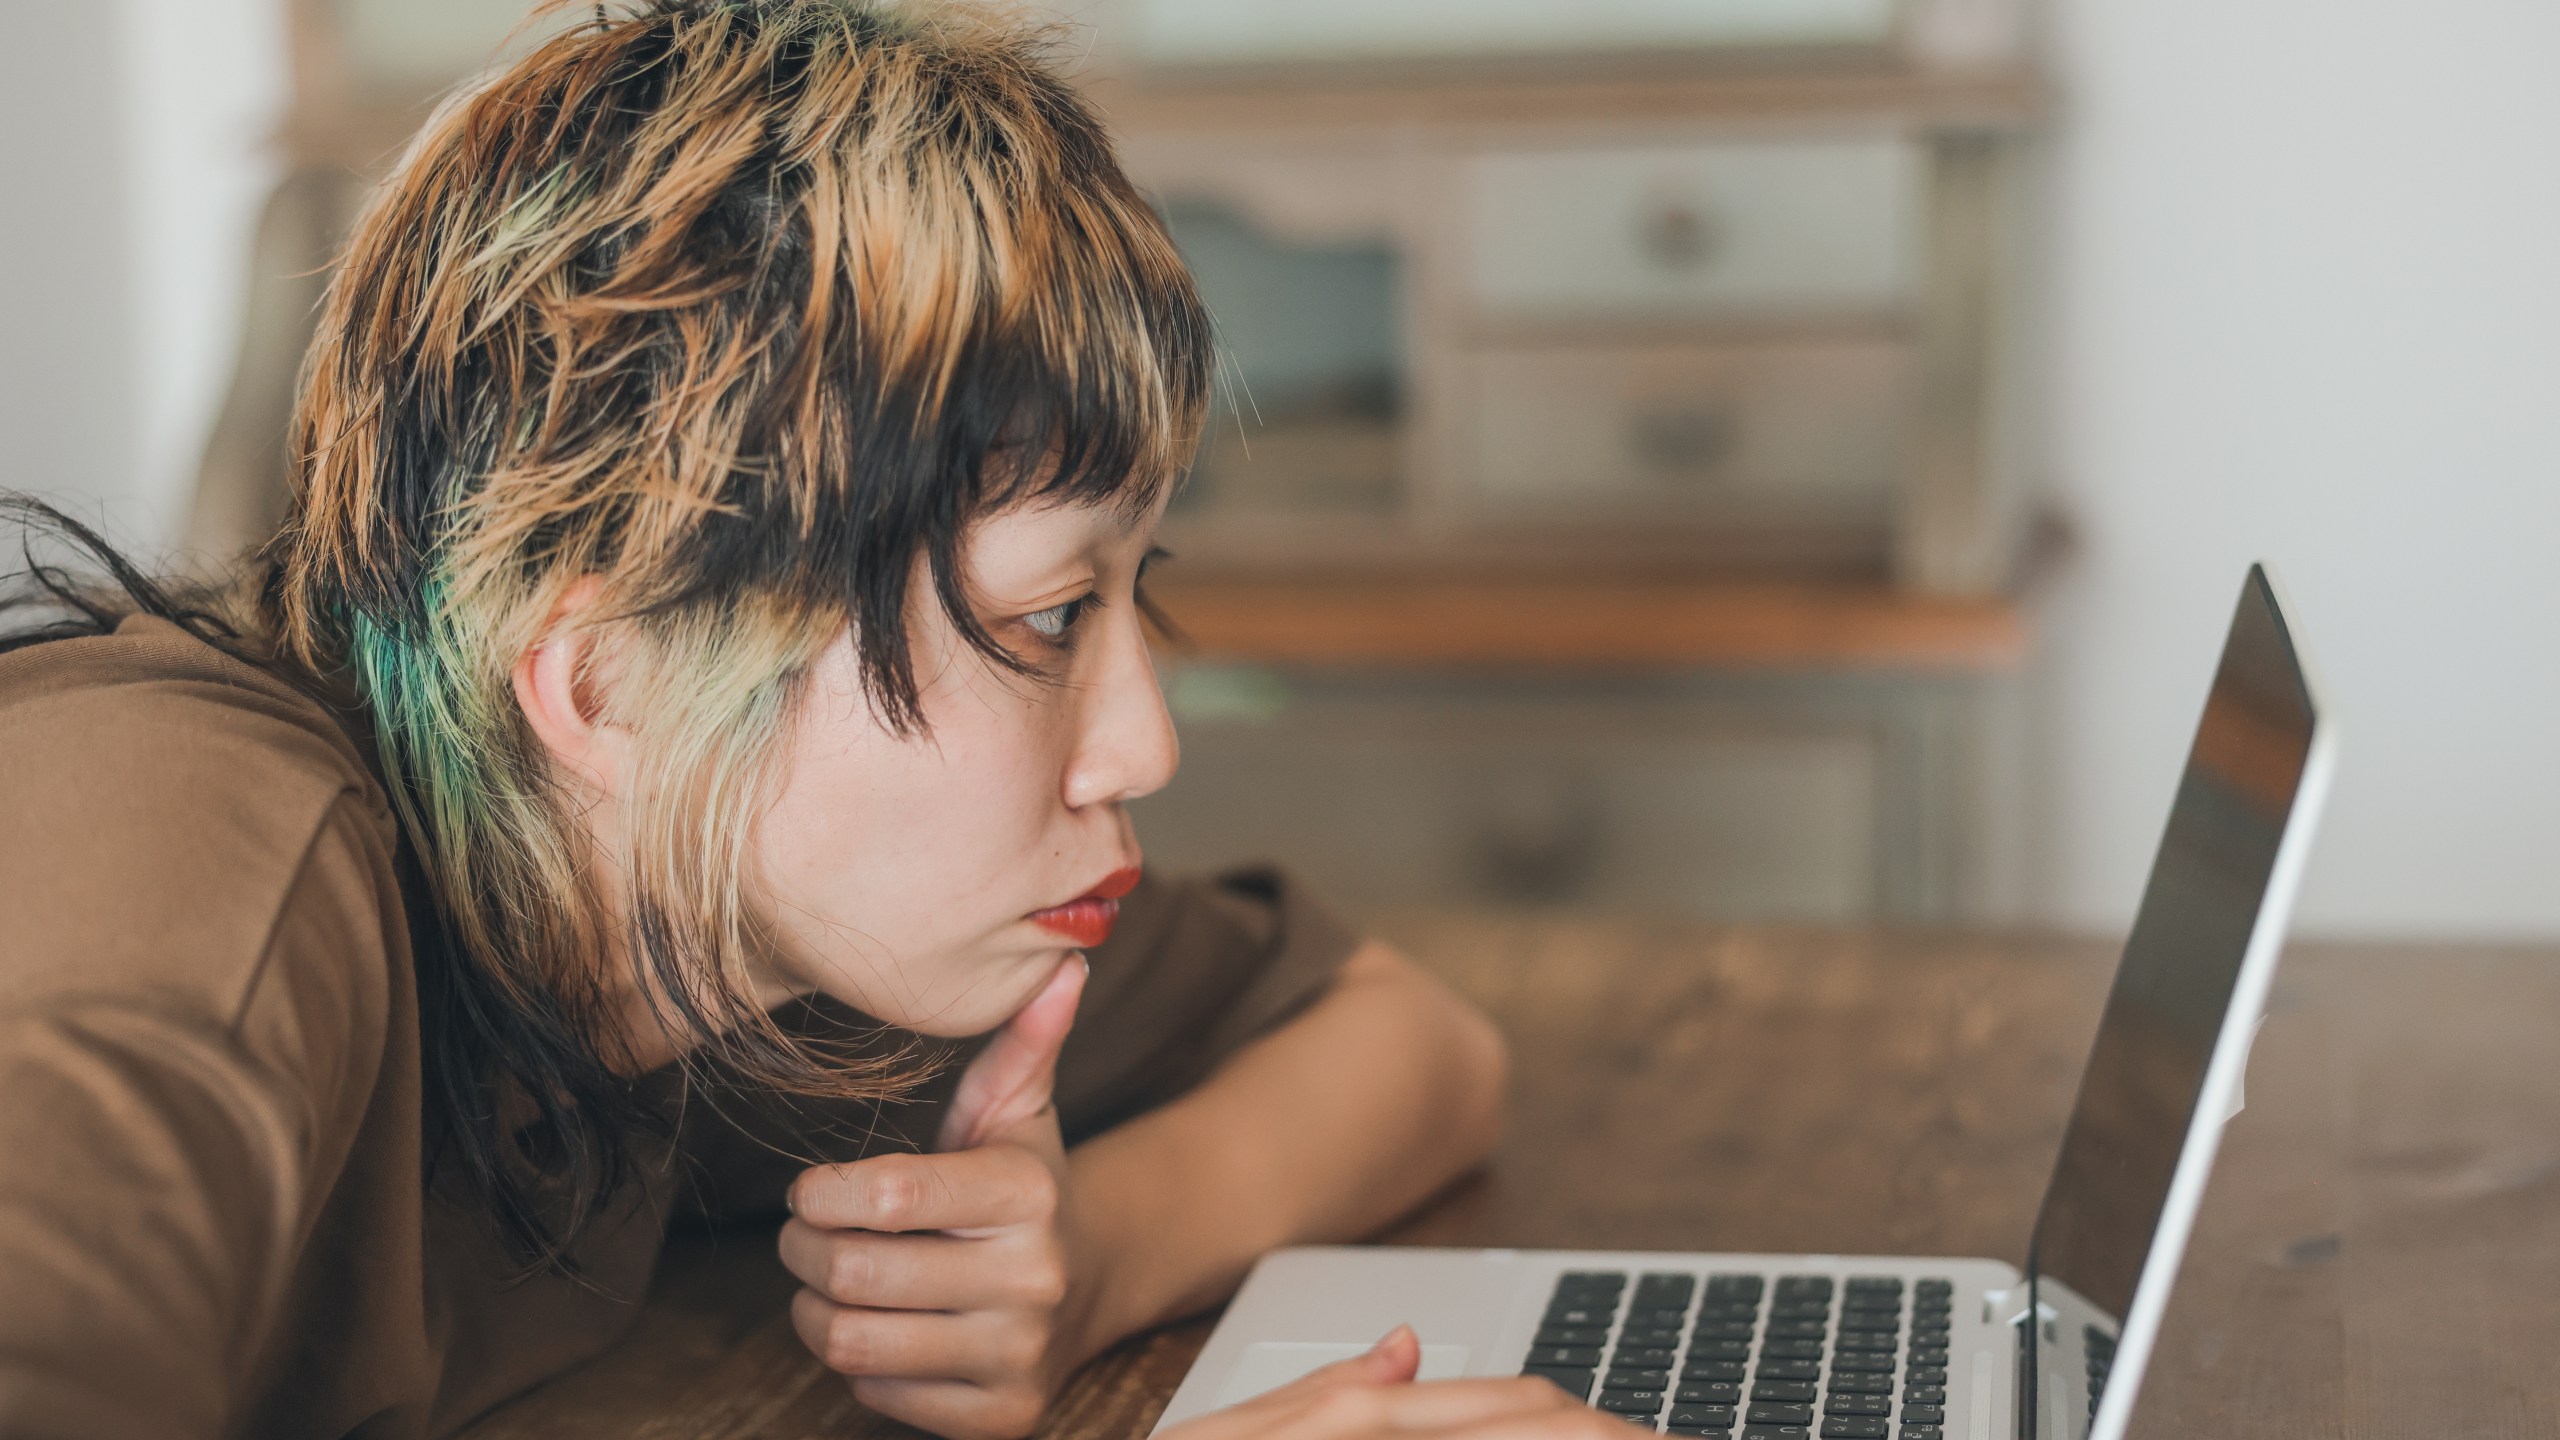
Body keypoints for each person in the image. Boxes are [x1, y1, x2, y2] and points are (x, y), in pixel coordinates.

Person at [0, 5, 1638, 1440]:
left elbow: (1420, 1049)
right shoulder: (191, 871)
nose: (1143, 747)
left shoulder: (745, 915)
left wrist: (1084, 1260)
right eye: (1045, 619)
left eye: (1137, 596)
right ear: (610, 683)